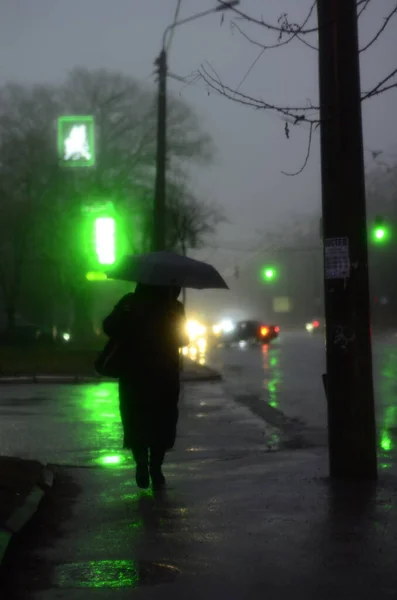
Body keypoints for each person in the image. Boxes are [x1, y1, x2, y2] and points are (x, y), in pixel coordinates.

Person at [102, 283, 188, 489]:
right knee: (162, 420)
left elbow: (108, 327)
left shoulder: (130, 302)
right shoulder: (173, 307)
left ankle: (141, 464)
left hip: (134, 373)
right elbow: (183, 340)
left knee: (135, 417)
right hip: (164, 374)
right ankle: (156, 469)